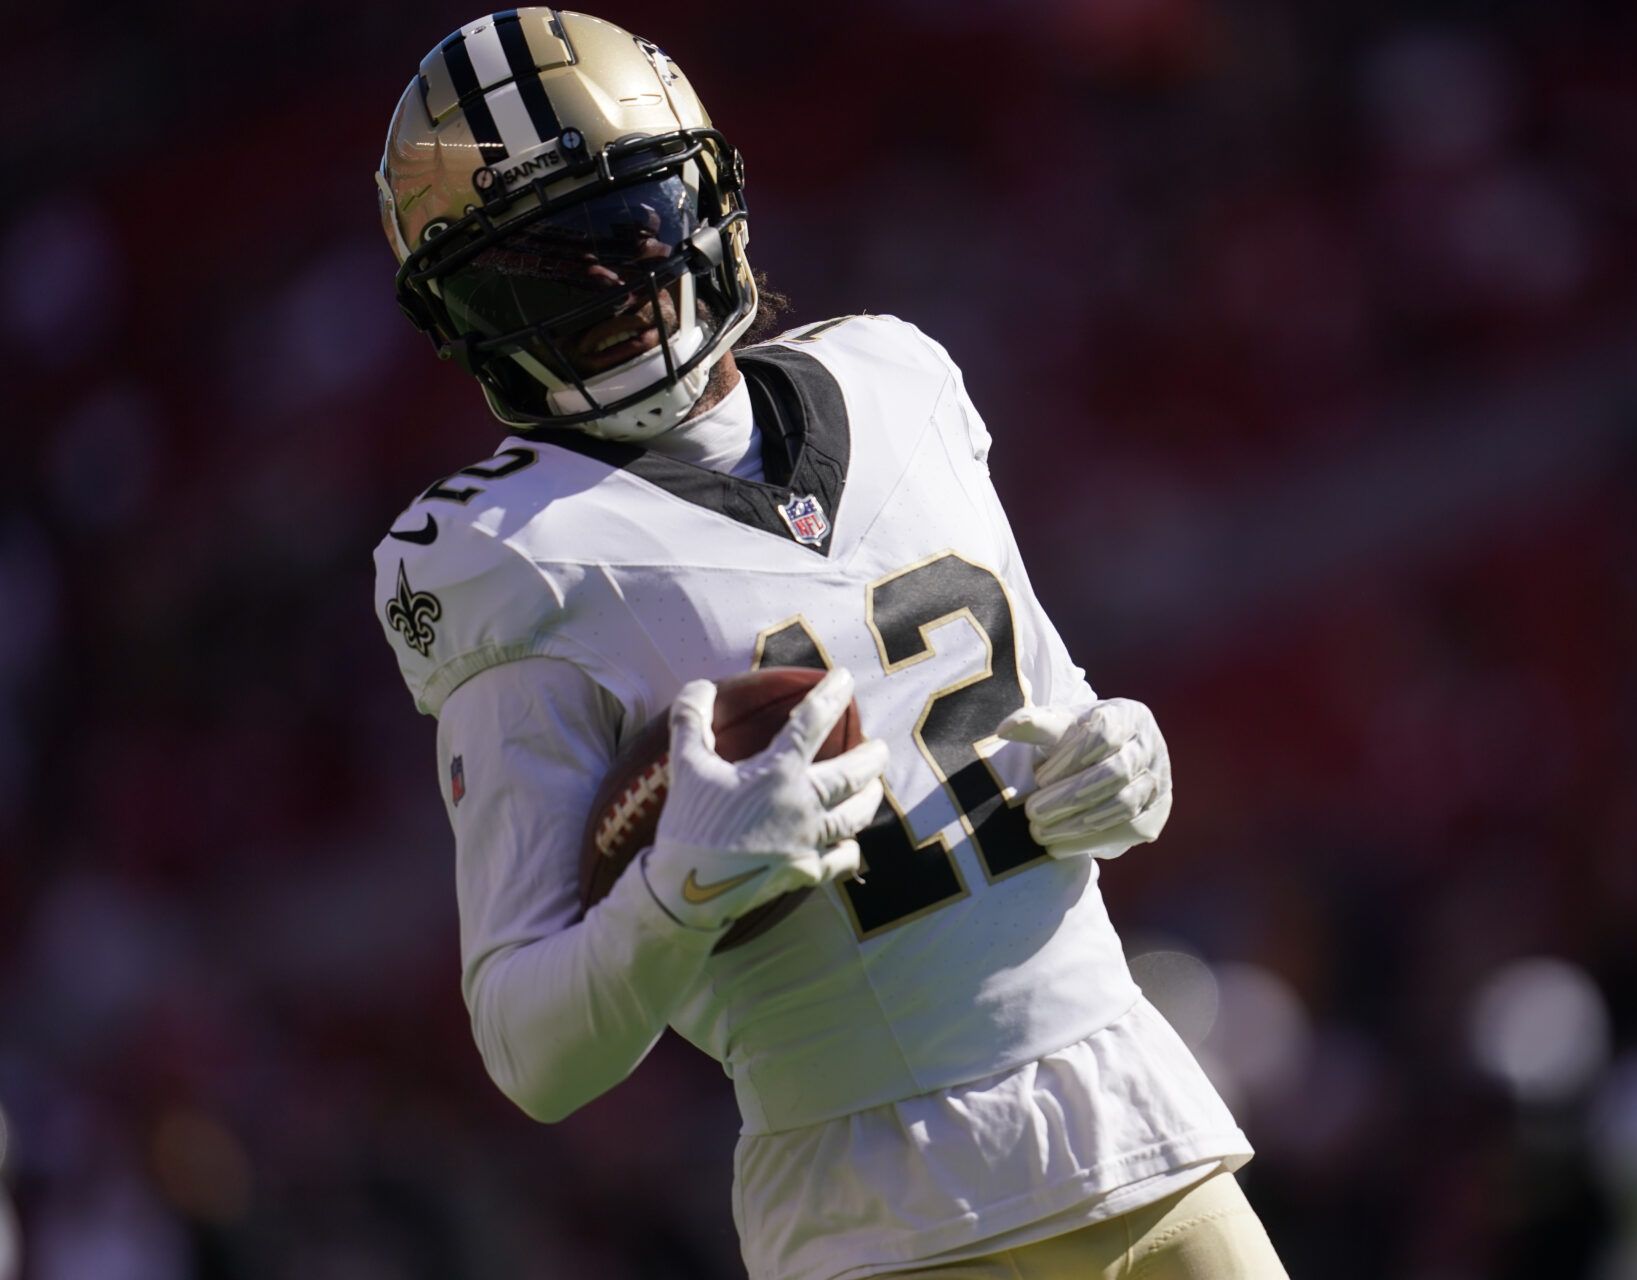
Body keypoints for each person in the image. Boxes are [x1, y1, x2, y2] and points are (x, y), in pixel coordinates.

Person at [371, 10, 1287, 1278]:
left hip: (1135, 1117)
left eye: (617, 228)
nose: (607, 295)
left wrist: (1128, 764)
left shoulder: (896, 381)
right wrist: (677, 891)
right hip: (874, 1216)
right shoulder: (514, 559)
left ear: (706, 194)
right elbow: (531, 1049)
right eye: (529, 277)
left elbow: (1053, 716)